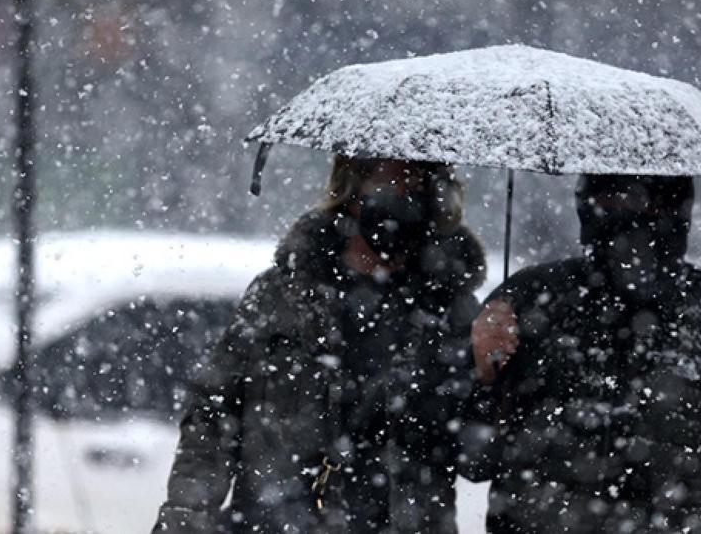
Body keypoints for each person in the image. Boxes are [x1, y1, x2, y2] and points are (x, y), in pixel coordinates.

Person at [153, 155, 486, 532]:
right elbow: (214, 416)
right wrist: (186, 517)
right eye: (391, 186)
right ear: (351, 191)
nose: (404, 203)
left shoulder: (452, 314)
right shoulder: (282, 296)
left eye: (418, 190)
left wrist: (490, 376)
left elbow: (479, 458)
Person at [460, 175, 701, 533]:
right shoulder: (528, 303)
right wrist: (479, 371)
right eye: (615, 201)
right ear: (588, 203)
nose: (636, 220)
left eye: (656, 204)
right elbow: (472, 460)